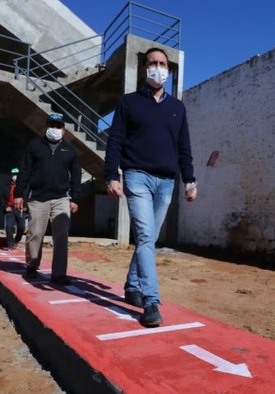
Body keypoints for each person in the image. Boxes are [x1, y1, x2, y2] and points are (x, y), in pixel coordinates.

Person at [104, 47, 198, 327]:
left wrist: (190, 179)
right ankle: (151, 301)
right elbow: (115, 141)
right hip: (136, 176)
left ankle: (132, 285)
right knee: (146, 237)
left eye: (162, 64)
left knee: (149, 239)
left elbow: (184, 147)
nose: (158, 68)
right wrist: (112, 174)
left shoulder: (177, 108)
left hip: (166, 182)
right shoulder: (128, 103)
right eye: (152, 63)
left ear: (168, 70)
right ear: (145, 69)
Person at [14, 112, 81, 285]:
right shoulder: (35, 146)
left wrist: (75, 198)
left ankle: (59, 273)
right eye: (52, 125)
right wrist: (19, 194)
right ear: (46, 127)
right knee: (35, 233)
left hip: (61, 198)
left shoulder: (70, 151)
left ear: (64, 130)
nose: (55, 129)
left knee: (61, 236)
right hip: (38, 197)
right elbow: (25, 170)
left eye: (58, 126)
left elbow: (76, 176)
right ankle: (32, 265)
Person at [0, 168, 26, 250]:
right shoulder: (6, 186)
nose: (15, 177)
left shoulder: (23, 186)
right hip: (10, 209)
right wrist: (5, 206)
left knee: (22, 227)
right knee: (9, 227)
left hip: (20, 209)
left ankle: (17, 240)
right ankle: (10, 244)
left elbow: (27, 197)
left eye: (17, 175)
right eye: (14, 175)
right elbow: (1, 198)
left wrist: (26, 207)